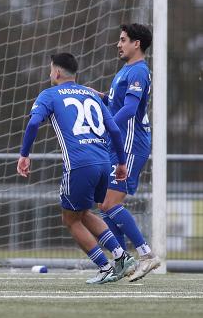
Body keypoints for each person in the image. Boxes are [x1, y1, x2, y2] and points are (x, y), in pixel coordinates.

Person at [18, 53, 132, 285]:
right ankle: (121, 256)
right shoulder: (91, 93)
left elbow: (32, 123)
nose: (50, 74)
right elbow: (115, 130)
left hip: (79, 164)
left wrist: (24, 155)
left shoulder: (49, 95)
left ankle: (104, 266)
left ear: (57, 72)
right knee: (85, 212)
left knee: (70, 219)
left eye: (51, 70)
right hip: (103, 162)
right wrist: (121, 162)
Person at [89, 24, 161, 282]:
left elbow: (130, 109)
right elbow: (117, 103)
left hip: (131, 143)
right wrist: (101, 98)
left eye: (122, 40)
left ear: (137, 43)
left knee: (111, 203)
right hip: (120, 142)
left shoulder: (139, 71)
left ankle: (146, 255)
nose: (118, 44)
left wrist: (105, 127)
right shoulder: (125, 71)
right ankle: (122, 262)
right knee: (104, 206)